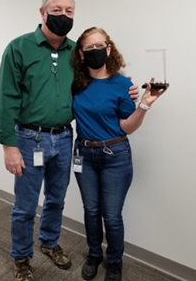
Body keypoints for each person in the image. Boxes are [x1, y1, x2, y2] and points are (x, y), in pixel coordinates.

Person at [0, 0, 139, 281]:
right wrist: (8, 144)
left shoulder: (77, 52)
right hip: (28, 139)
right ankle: (21, 257)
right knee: (25, 206)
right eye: (57, 10)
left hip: (64, 140)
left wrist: (130, 88)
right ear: (42, 12)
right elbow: (6, 97)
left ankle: (48, 242)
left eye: (69, 11)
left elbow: (102, 77)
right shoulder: (18, 48)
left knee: (56, 200)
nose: (63, 15)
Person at [71, 27, 167, 281]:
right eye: (89, 48)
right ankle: (94, 255)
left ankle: (114, 261)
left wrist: (144, 104)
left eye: (99, 46)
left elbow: (127, 127)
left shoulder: (123, 84)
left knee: (111, 215)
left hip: (115, 156)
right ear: (81, 54)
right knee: (91, 210)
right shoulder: (76, 82)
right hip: (84, 154)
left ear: (109, 48)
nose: (95, 51)